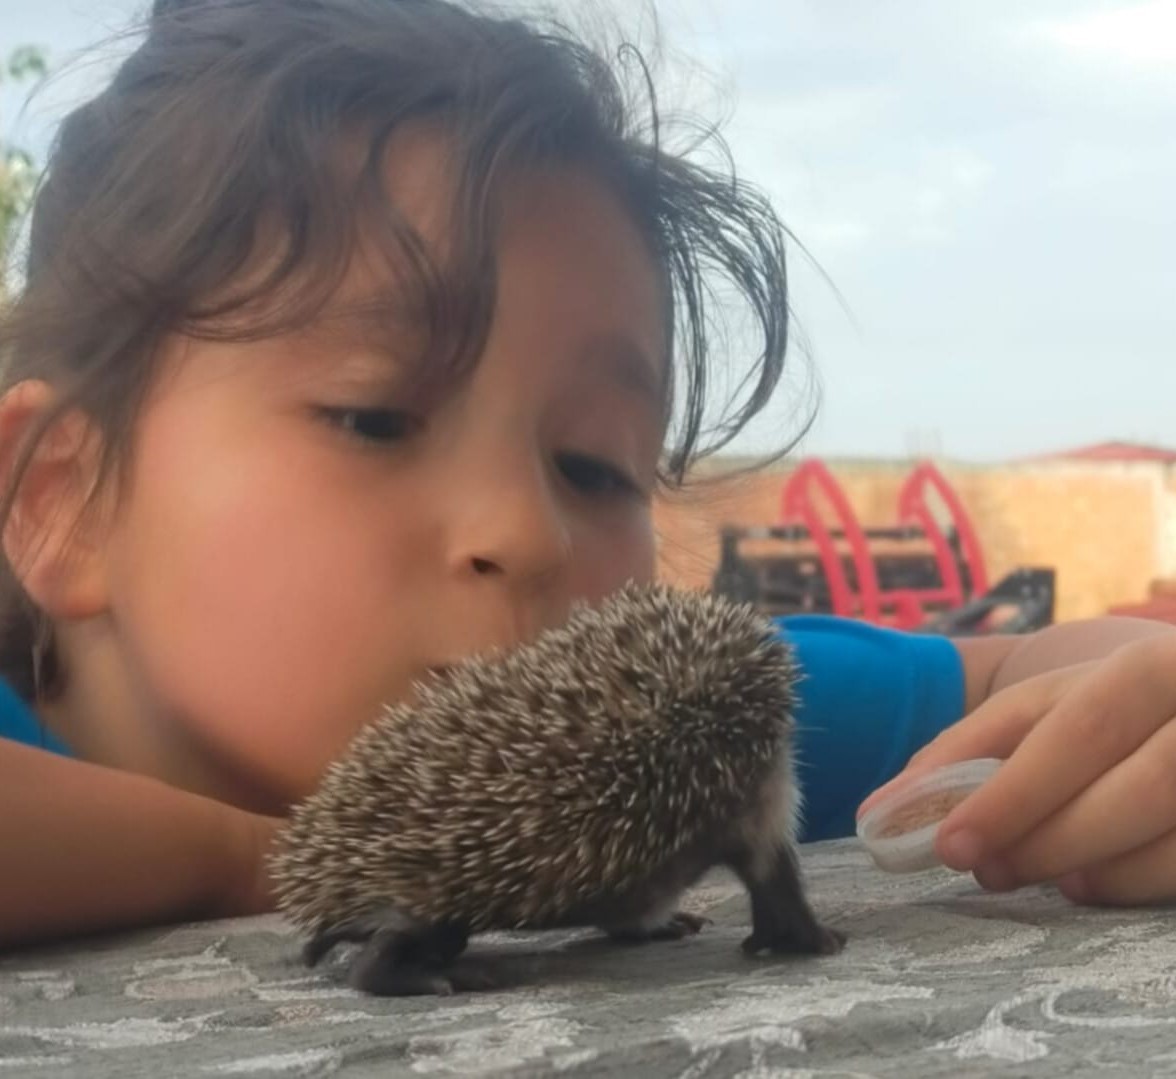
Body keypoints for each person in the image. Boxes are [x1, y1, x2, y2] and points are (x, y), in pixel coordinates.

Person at [1, 0, 1173, 950]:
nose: (527, 526)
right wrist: (280, 861)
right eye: (374, 417)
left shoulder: (667, 722)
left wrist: (1132, 722)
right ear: (63, 500)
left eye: (596, 465)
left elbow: (1042, 664)